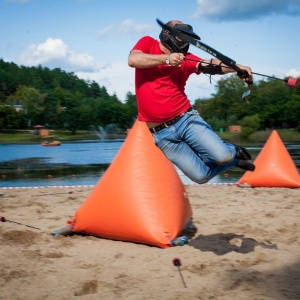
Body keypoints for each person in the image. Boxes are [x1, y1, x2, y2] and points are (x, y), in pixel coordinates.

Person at [128, 20, 255, 184]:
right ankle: (234, 161)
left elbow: (210, 64)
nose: (186, 42)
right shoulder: (148, 43)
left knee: (222, 155)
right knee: (201, 176)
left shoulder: (186, 59)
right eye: (183, 37)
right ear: (168, 34)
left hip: (186, 121)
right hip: (162, 135)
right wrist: (167, 59)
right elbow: (133, 59)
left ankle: (231, 152)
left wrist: (236, 67)